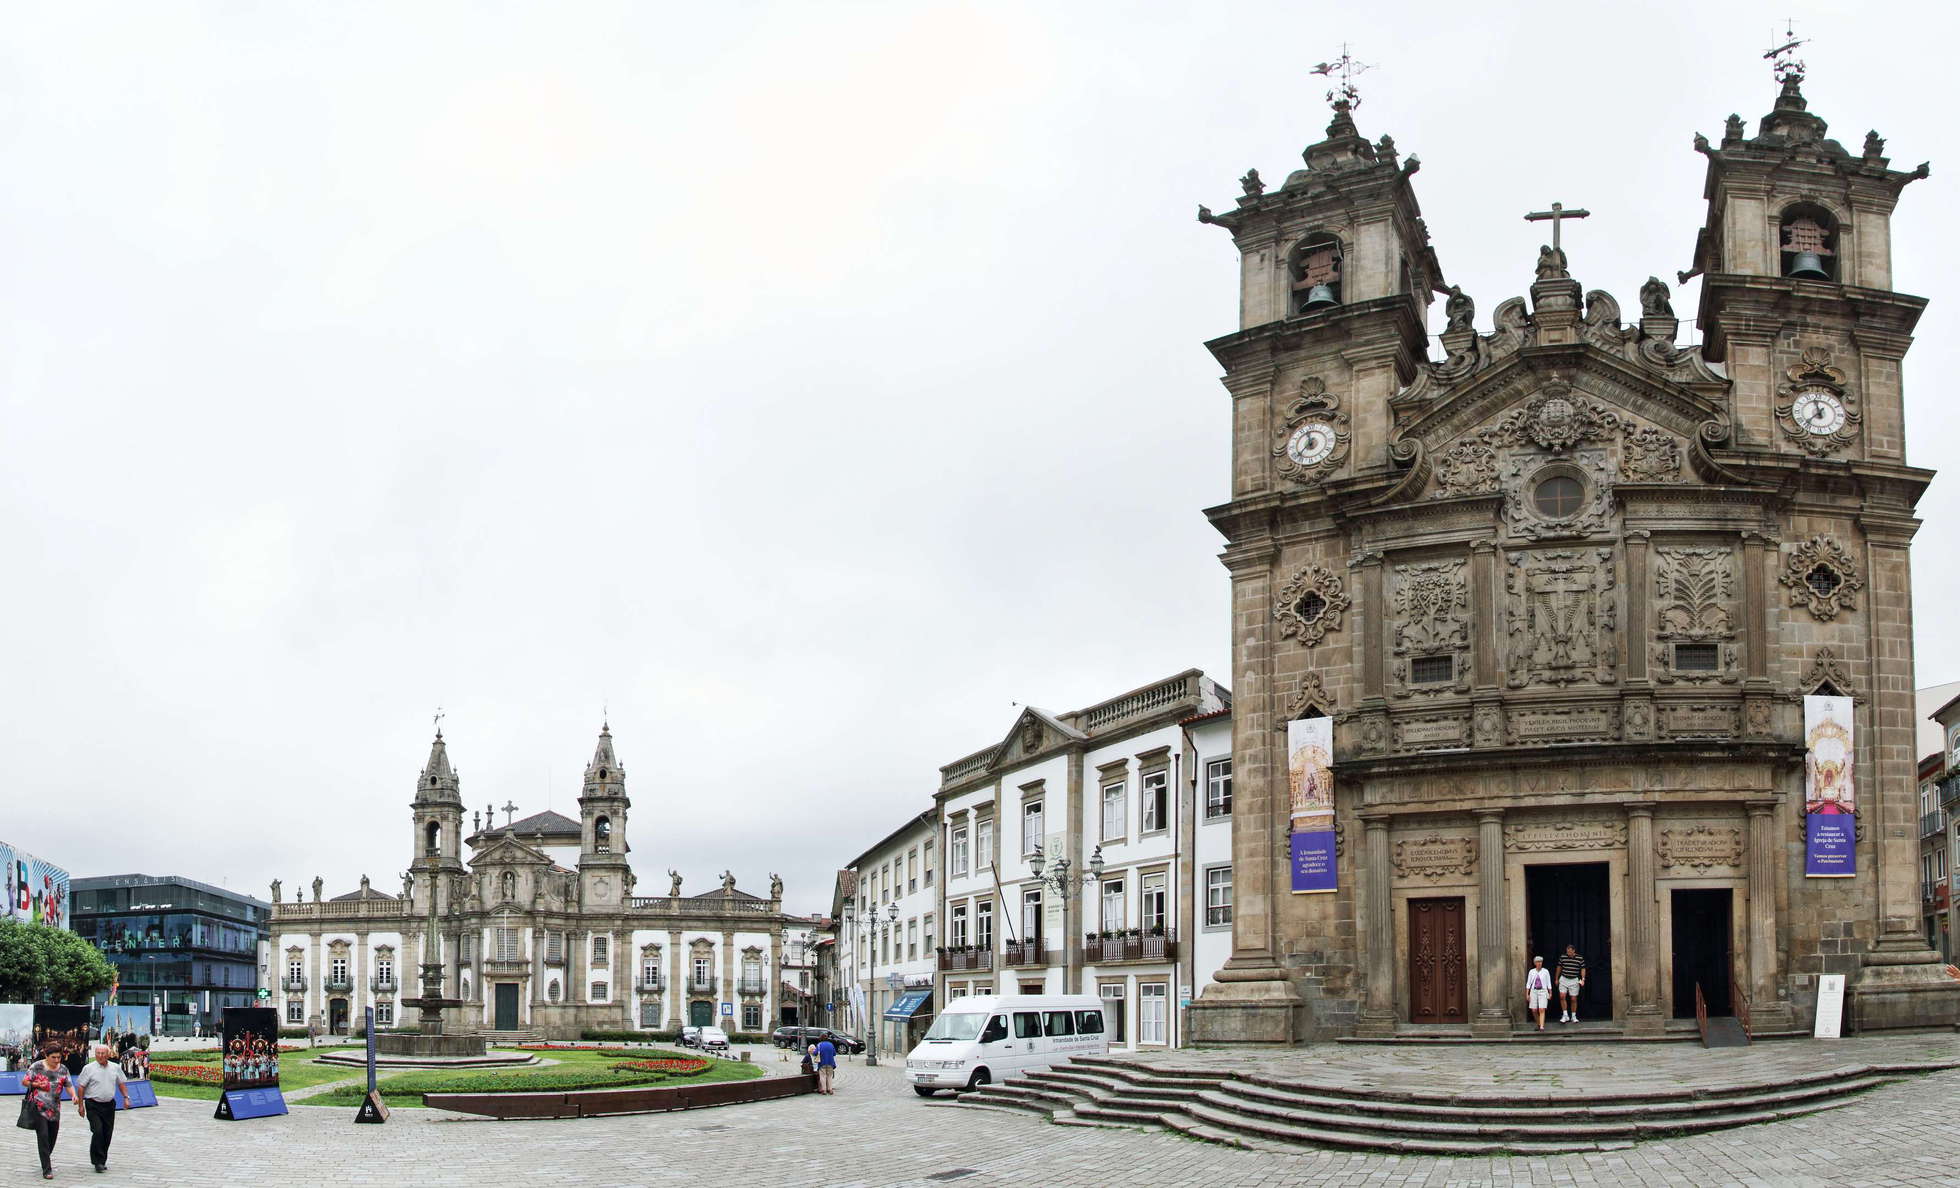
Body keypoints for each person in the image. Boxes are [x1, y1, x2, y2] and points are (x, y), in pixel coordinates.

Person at [75, 1044, 131, 1173]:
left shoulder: (115, 1067)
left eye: (103, 1053)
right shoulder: (88, 1068)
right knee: (98, 1130)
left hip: (109, 1105)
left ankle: (102, 1159)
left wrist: (126, 1097)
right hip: (93, 1104)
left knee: (107, 1133)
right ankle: (97, 1161)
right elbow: (81, 1087)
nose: (100, 1056)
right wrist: (80, 1106)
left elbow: (121, 1083)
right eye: (98, 1053)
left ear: (108, 1054)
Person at [22, 1047, 69, 1180]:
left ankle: (45, 1156)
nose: (56, 1060)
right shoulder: (36, 1066)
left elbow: (68, 1084)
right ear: (46, 1056)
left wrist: (74, 1096)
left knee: (52, 1138)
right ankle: (47, 1169)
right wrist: (37, 1084)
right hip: (38, 1107)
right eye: (53, 1057)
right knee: (43, 1136)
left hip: (54, 1108)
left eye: (58, 1057)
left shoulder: (63, 1069)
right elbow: (25, 1081)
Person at [1556, 944, 1587, 1023]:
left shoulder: (1579, 958)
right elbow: (1559, 967)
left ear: (1574, 951)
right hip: (1564, 978)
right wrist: (1556, 978)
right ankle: (1565, 1015)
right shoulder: (1563, 957)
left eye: (1570, 952)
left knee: (1573, 999)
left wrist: (1583, 979)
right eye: (1567, 951)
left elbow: (1583, 969)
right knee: (1562, 996)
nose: (1568, 953)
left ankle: (1573, 1016)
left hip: (1574, 980)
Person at [1525, 956, 1553, 1032]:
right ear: (1535, 963)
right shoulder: (1531, 971)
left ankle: (1542, 1027)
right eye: (1537, 962)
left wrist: (1550, 993)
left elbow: (1548, 983)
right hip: (1534, 991)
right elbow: (1528, 984)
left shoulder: (1545, 971)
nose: (1539, 963)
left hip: (1543, 990)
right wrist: (1527, 994)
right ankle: (1539, 1023)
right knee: (1534, 1010)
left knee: (1541, 1008)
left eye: (1540, 962)